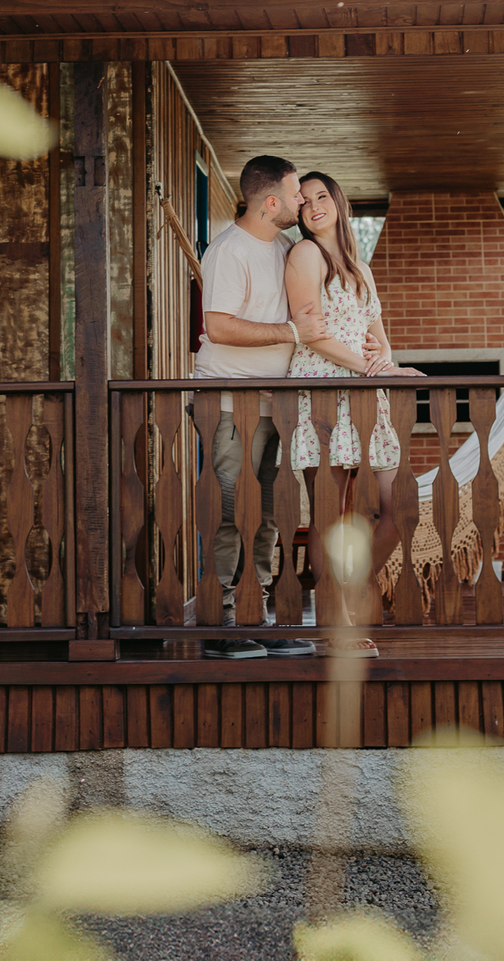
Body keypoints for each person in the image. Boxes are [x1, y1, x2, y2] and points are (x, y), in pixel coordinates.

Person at [285, 170, 424, 650]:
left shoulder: (361, 269)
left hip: (367, 396)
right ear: (299, 215)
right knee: (334, 513)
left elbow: (379, 341)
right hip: (324, 393)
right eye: (304, 203)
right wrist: (371, 370)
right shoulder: (305, 254)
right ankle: (335, 624)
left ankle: (348, 587)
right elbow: (313, 333)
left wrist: (388, 369)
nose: (314, 206)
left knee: (401, 506)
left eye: (322, 197)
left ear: (339, 203)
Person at [194, 154, 325, 660]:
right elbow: (220, 327)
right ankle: (225, 621)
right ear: (271, 202)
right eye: (295, 195)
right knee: (232, 512)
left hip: (275, 408)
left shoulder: (287, 247)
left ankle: (257, 612)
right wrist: (291, 333)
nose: (301, 202)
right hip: (229, 405)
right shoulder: (230, 251)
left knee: (269, 516)